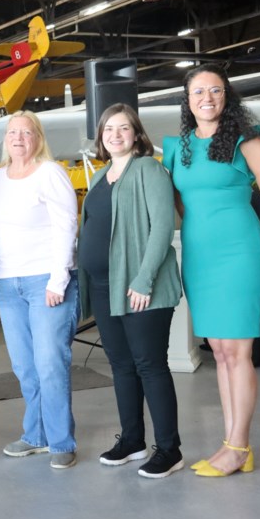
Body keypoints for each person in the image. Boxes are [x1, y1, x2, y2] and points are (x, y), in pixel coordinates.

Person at [163, 64, 260, 477]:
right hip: (200, 259)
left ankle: (237, 447)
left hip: (240, 257)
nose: (207, 98)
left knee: (237, 353)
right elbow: (181, 204)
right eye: (198, 92)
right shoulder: (179, 146)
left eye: (215, 90)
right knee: (219, 352)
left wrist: (255, 249)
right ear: (187, 100)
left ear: (226, 96)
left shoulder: (247, 141)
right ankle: (235, 443)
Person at [78, 104, 184, 478]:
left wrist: (143, 279)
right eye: (109, 129)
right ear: (101, 137)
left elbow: (162, 227)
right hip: (105, 288)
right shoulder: (100, 176)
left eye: (124, 128)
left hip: (140, 288)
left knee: (149, 365)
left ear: (137, 134)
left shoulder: (149, 169)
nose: (116, 135)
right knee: (121, 365)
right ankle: (133, 439)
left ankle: (169, 449)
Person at [0, 110, 80, 469]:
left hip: (45, 282)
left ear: (38, 138)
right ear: (5, 139)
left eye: (26, 132)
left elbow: (66, 225)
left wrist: (58, 280)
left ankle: (60, 441)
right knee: (25, 366)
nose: (18, 137)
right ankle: (35, 435)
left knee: (50, 363)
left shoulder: (50, 172)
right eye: (12, 132)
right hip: (8, 284)